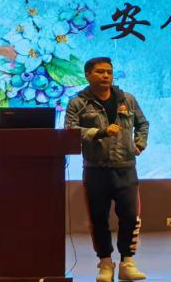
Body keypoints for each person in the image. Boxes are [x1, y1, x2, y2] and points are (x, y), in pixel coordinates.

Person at [65, 57, 149, 282]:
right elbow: (70, 130)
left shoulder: (127, 99)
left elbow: (142, 123)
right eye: (100, 72)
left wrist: (140, 143)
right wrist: (100, 132)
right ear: (87, 75)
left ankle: (127, 263)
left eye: (109, 72)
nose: (106, 76)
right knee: (98, 219)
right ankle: (105, 264)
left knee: (130, 217)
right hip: (96, 169)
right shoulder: (78, 103)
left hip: (126, 168)